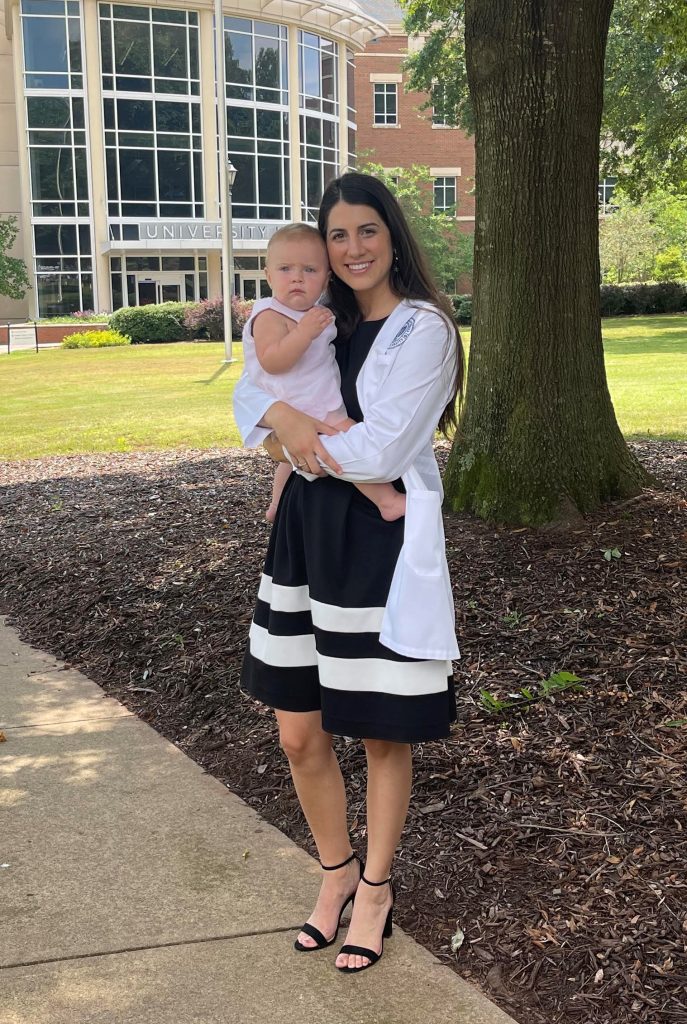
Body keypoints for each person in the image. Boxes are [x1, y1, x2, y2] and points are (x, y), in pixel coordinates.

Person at [232, 172, 464, 974]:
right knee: (298, 732)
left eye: (367, 230)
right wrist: (281, 423)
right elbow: (244, 398)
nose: (352, 247)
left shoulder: (421, 330)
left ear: (392, 236)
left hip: (373, 543)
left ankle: (374, 890)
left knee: (375, 728)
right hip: (302, 533)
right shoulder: (312, 322)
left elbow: (384, 451)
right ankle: (332, 872)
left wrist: (285, 429)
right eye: (337, 235)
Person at [244, 223, 406, 523]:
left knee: (293, 460)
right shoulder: (269, 315)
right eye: (285, 269)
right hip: (304, 405)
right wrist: (303, 334)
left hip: (313, 400)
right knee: (348, 435)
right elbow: (272, 361)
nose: (296, 278)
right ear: (267, 275)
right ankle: (387, 500)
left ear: (326, 278)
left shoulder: (316, 313)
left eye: (309, 270)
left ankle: (277, 505)